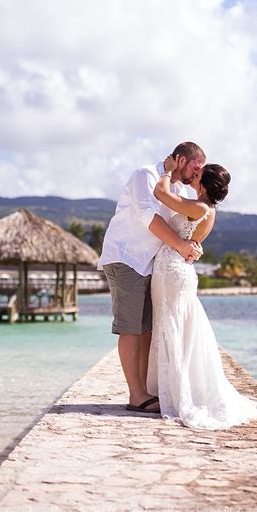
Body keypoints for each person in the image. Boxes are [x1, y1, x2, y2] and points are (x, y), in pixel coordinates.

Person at [146, 154, 257, 429]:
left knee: (173, 328)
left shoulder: (199, 207)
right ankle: (171, 391)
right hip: (176, 269)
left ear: (205, 184)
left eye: (198, 175)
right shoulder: (206, 210)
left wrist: (168, 169)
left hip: (173, 270)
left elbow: (160, 193)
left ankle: (176, 395)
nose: (193, 176)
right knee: (176, 328)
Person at [98, 142, 206, 414]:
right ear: (181, 159)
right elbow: (148, 217)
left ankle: (146, 390)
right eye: (196, 166)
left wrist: (191, 243)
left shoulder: (178, 189)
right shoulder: (145, 175)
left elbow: (182, 224)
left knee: (148, 327)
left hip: (152, 265)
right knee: (131, 327)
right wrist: (181, 246)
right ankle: (136, 395)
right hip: (127, 257)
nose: (198, 172)